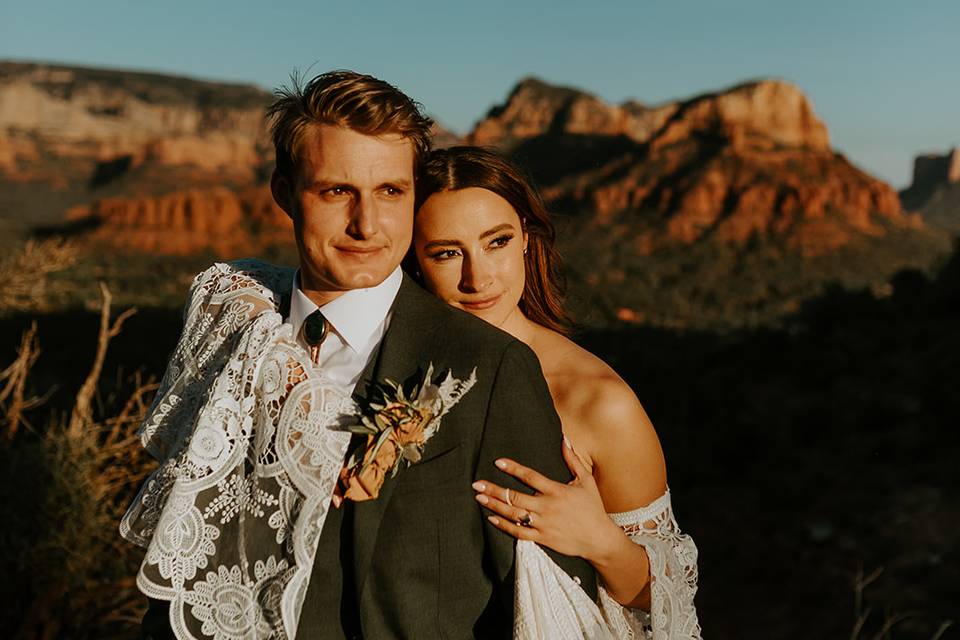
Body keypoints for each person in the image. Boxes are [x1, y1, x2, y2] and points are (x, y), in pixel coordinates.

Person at [120, 72, 595, 639]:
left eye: (391, 192)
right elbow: (184, 553)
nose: (366, 224)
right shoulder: (229, 331)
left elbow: (551, 603)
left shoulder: (489, 369)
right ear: (283, 193)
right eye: (336, 191)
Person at [411, 146, 702, 639]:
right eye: (447, 252)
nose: (477, 277)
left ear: (525, 237)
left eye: (496, 242)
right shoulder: (398, 371)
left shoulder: (598, 401)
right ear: (414, 260)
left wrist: (601, 541)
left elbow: (665, 600)